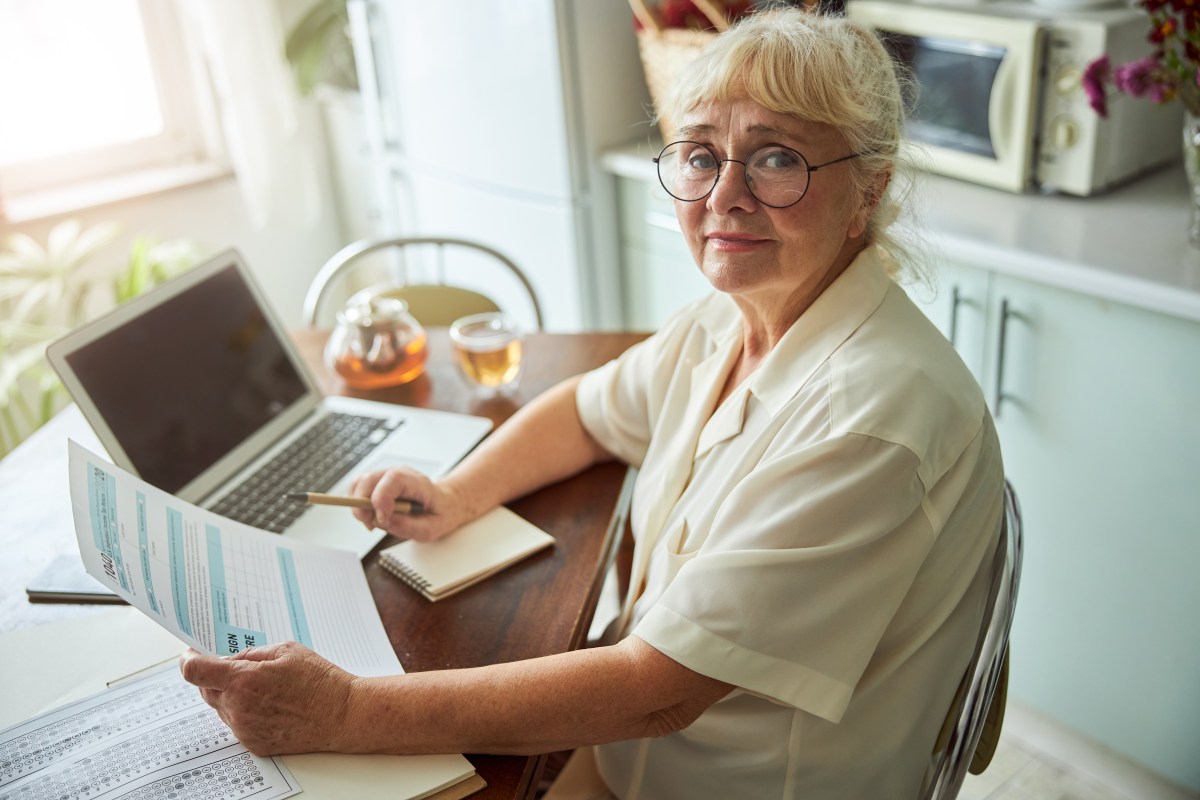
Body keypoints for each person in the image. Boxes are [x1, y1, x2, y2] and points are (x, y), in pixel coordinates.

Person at [180, 7, 1005, 798]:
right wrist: (457, 494)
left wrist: (346, 712)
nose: (723, 196)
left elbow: (656, 691)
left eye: (778, 158)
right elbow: (587, 410)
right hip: (645, 758)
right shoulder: (726, 321)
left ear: (869, 190)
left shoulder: (870, 418)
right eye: (698, 153)